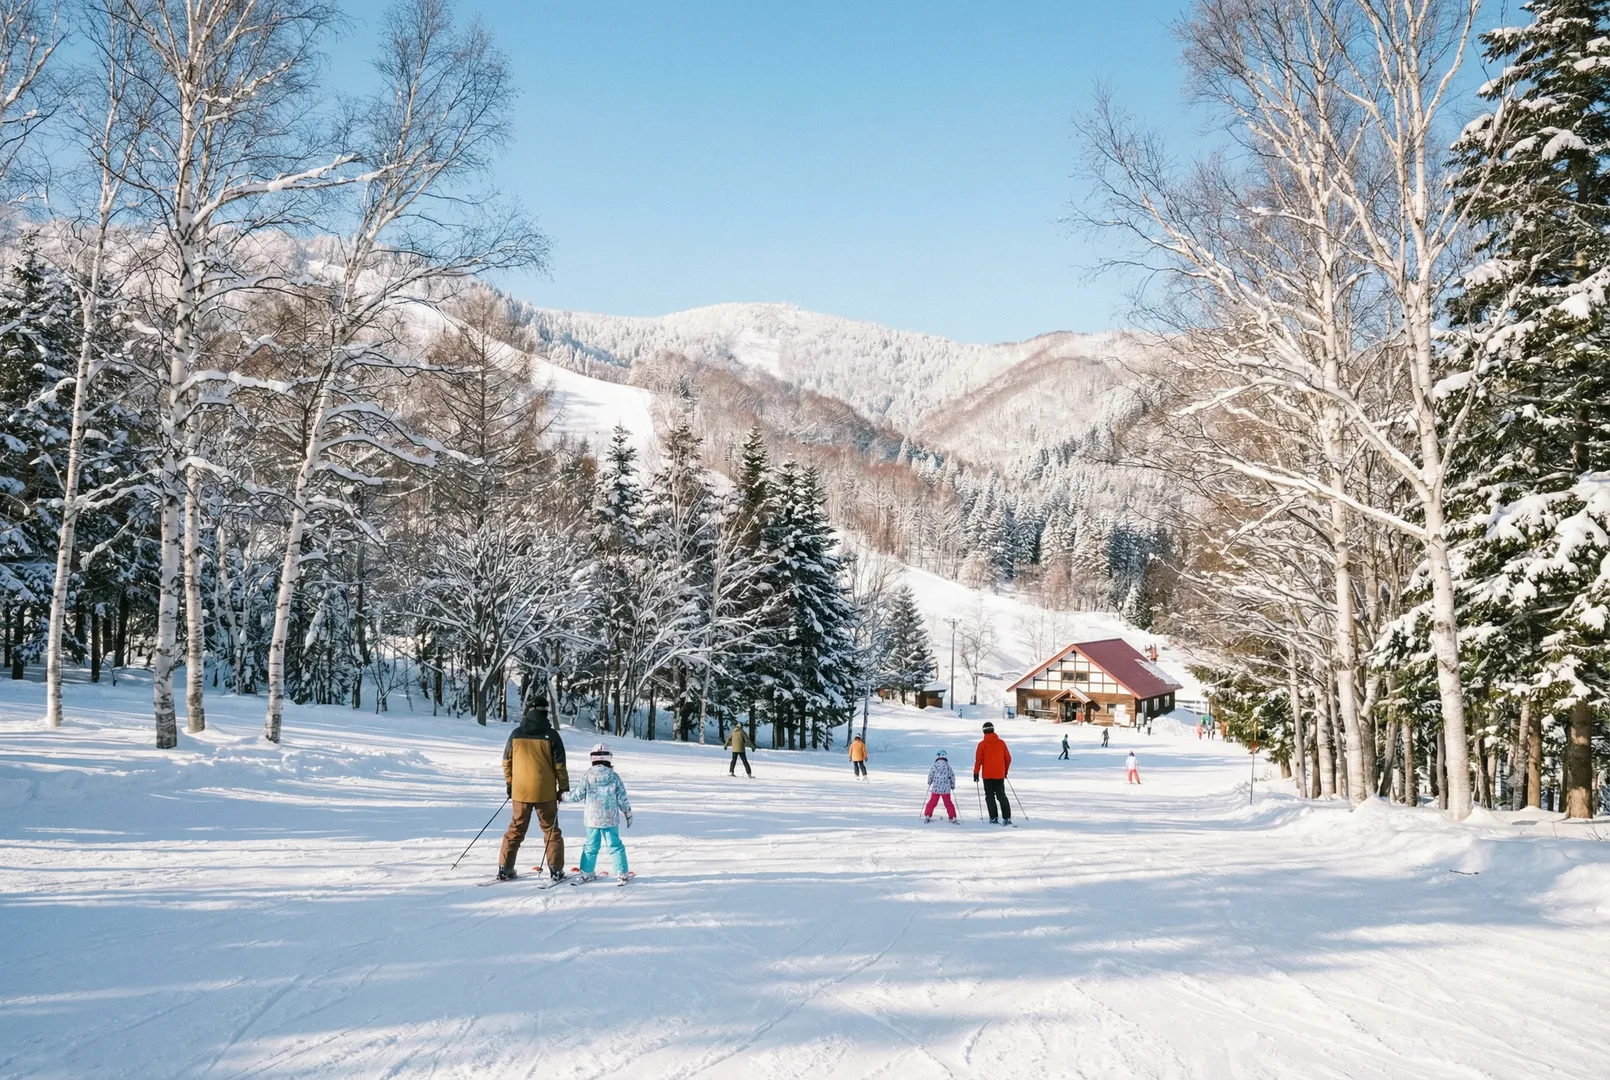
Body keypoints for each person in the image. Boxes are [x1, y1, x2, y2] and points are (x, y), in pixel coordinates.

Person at [498, 695, 569, 882]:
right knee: (551, 830)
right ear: (545, 712)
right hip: (545, 793)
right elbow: (560, 766)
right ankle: (556, 870)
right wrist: (563, 788)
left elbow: (506, 762)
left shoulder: (516, 734)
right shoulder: (552, 735)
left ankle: (505, 868)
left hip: (520, 792)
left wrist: (510, 783)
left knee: (516, 829)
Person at [568, 743, 633, 885]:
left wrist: (563, 796)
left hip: (592, 819)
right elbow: (622, 798)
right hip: (610, 819)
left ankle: (586, 872)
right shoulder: (614, 776)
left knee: (591, 846)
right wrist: (627, 812)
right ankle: (622, 873)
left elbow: (577, 795)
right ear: (609, 758)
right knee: (615, 846)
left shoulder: (587, 776)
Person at [972, 721, 1013, 825]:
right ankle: (1007, 817)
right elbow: (1008, 758)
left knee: (990, 796)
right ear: (993, 730)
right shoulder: (1001, 743)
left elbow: (979, 760)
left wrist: (976, 772)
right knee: (1001, 796)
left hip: (987, 775)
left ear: (984, 732)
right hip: (999, 774)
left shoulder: (982, 745)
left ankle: (993, 817)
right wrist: (1005, 771)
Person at [923, 749, 960, 822]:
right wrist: (952, 785)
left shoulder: (935, 766)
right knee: (948, 803)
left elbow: (931, 774)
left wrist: (929, 781)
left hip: (936, 789)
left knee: (932, 802)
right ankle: (952, 817)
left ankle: (928, 815)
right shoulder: (948, 767)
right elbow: (952, 776)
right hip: (945, 789)